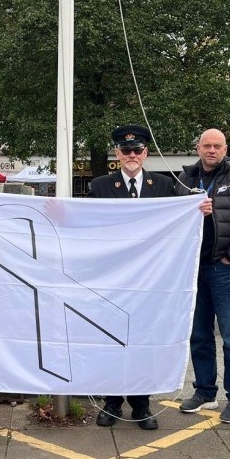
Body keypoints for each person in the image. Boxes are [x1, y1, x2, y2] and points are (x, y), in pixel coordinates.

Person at [176, 128, 230, 423]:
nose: (211, 150)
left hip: (223, 268)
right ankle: (205, 391)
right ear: (198, 148)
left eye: (217, 146)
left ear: (225, 149)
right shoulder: (185, 178)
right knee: (198, 335)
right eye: (206, 145)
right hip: (192, 269)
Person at [87, 124, 173, 430]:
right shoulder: (100, 186)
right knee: (110, 339)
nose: (132, 155)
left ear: (146, 153)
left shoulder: (163, 186)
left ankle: (141, 404)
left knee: (143, 341)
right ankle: (112, 403)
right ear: (117, 153)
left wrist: (197, 208)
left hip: (150, 280)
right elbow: (89, 228)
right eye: (126, 150)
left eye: (137, 150)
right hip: (113, 280)